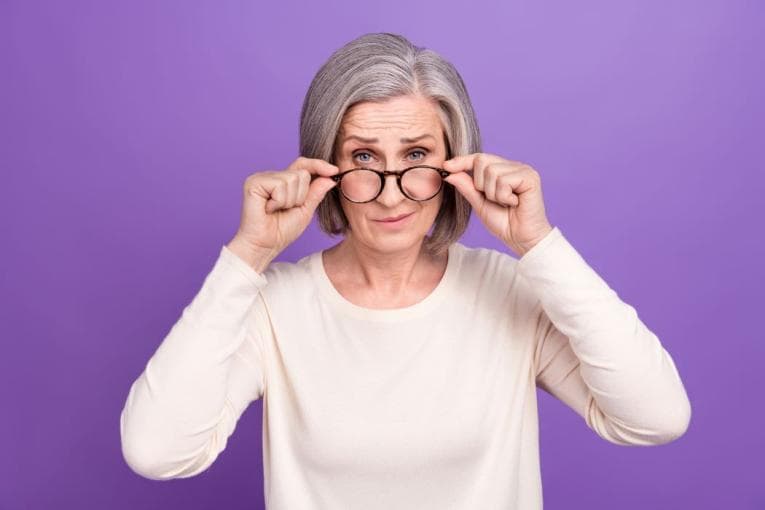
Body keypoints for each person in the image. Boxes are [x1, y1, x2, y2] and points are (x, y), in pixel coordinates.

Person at [119, 32, 691, 509]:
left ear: (454, 164)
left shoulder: (507, 290)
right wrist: (246, 256)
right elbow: (157, 451)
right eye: (364, 158)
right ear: (326, 168)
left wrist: (538, 243)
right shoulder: (273, 307)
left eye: (416, 156)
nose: (391, 198)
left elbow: (656, 417)